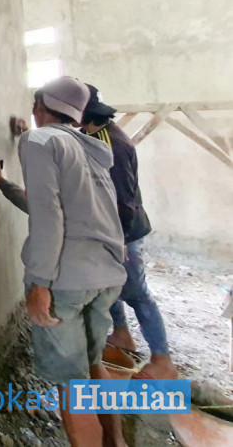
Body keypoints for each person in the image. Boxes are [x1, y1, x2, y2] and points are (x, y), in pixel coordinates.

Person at [17, 76, 127, 446]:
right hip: (106, 275)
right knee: (94, 365)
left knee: (72, 385)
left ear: (40, 107)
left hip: (66, 280)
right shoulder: (90, 148)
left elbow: (47, 214)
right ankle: (116, 442)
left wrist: (40, 283)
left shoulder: (38, 141)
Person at [79, 84, 177, 380]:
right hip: (110, 230)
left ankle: (163, 360)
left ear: (84, 114)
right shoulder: (92, 134)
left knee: (137, 293)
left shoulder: (114, 146)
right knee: (110, 286)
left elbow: (124, 200)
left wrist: (118, 241)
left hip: (125, 232)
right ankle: (122, 335)